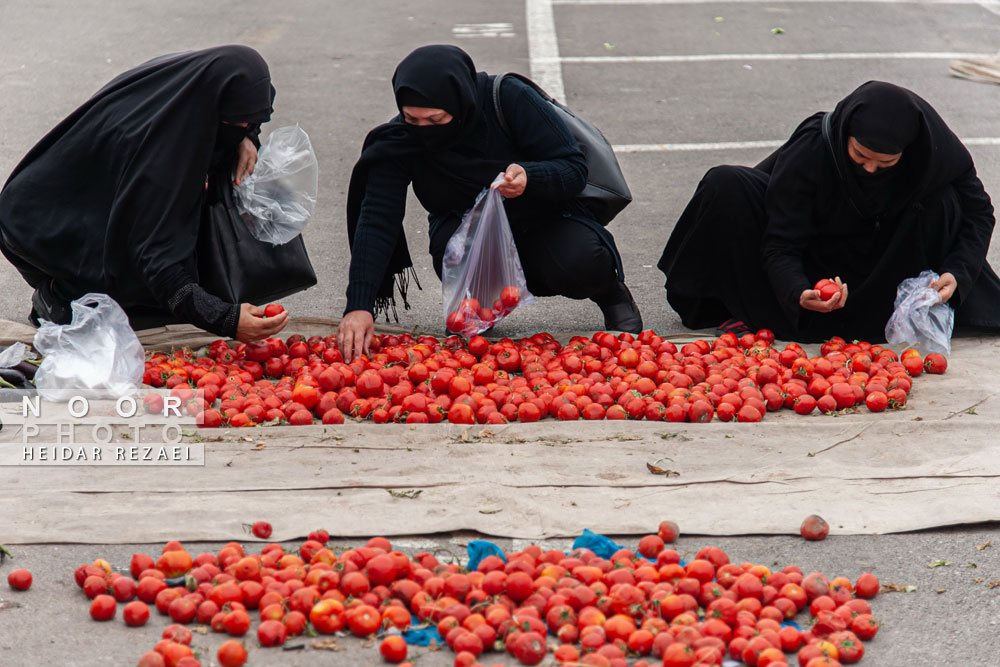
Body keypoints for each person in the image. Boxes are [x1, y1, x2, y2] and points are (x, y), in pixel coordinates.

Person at [337, 45, 642, 361]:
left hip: (544, 219)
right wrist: (360, 304)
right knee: (451, 251)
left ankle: (612, 295)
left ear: (461, 101)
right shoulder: (401, 140)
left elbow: (574, 168)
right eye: (412, 119)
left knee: (579, 259)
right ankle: (478, 308)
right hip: (465, 227)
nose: (424, 131)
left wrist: (530, 176)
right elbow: (376, 219)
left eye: (436, 119)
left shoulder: (508, 99)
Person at [658, 80, 1000, 342]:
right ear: (845, 134)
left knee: (945, 201)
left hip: (887, 263)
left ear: (909, 151)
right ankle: (771, 313)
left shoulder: (936, 152)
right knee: (725, 183)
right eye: (860, 157)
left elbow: (979, 214)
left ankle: (882, 317)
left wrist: (958, 272)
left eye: (886, 163)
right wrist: (798, 291)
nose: (869, 170)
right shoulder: (814, 150)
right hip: (814, 254)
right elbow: (781, 243)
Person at [0, 45, 288, 342]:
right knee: (143, 303)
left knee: (181, 272)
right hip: (40, 225)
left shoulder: (191, 86)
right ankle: (59, 301)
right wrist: (224, 319)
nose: (241, 125)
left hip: (90, 194)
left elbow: (255, 106)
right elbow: (156, 259)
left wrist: (246, 136)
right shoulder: (163, 155)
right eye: (233, 122)